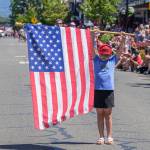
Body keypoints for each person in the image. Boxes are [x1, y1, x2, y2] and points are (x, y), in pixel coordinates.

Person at [93, 35, 125, 145]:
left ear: (110, 54)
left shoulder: (112, 60)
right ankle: (101, 136)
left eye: (107, 55)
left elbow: (120, 51)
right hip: (98, 90)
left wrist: (123, 39)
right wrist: (94, 36)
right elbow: (91, 48)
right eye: (103, 54)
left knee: (108, 114)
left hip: (108, 90)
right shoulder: (96, 59)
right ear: (100, 53)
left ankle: (109, 136)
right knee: (99, 114)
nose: (104, 57)